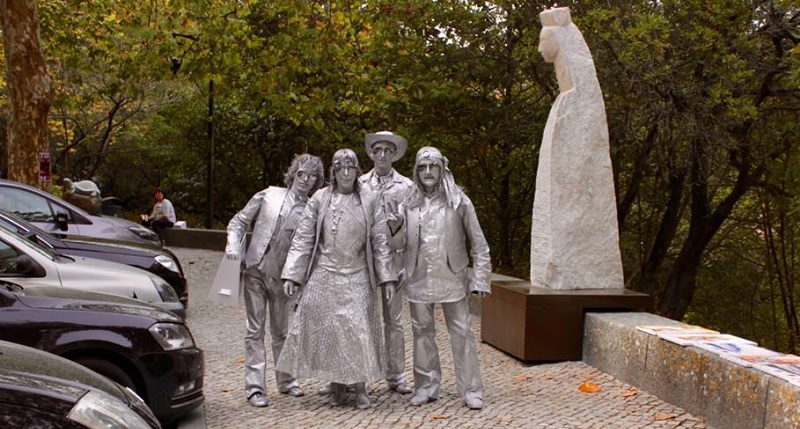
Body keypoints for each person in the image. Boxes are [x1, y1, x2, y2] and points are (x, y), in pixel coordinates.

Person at [277, 149, 397, 410]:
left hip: (357, 272)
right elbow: (304, 237)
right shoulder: (320, 198)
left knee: (358, 330)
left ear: (357, 170)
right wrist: (293, 275)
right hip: (325, 271)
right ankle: (337, 384)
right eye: (340, 167)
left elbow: (380, 241)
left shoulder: (370, 199)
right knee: (329, 330)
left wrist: (387, 277)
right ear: (333, 171)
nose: (345, 173)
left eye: (350, 167)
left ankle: (361, 386)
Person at [386, 146, 491, 410]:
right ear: (416, 172)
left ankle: (471, 389)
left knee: (462, 332)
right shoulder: (408, 204)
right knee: (422, 333)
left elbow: (478, 242)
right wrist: (394, 228)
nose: (428, 172)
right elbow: (397, 246)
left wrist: (480, 279)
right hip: (418, 277)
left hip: (452, 277)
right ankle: (426, 386)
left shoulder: (459, 201)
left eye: (433, 166)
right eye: (422, 168)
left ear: (442, 169)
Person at [225, 154, 325, 408]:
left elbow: (312, 250)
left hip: (283, 279)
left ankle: (287, 380)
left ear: (317, 181)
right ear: (293, 174)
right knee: (254, 331)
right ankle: (255, 388)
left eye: (312, 176)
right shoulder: (269, 195)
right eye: (301, 174)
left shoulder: (313, 209)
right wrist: (233, 247)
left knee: (281, 332)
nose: (305, 180)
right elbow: (239, 221)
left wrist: (302, 284)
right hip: (255, 271)